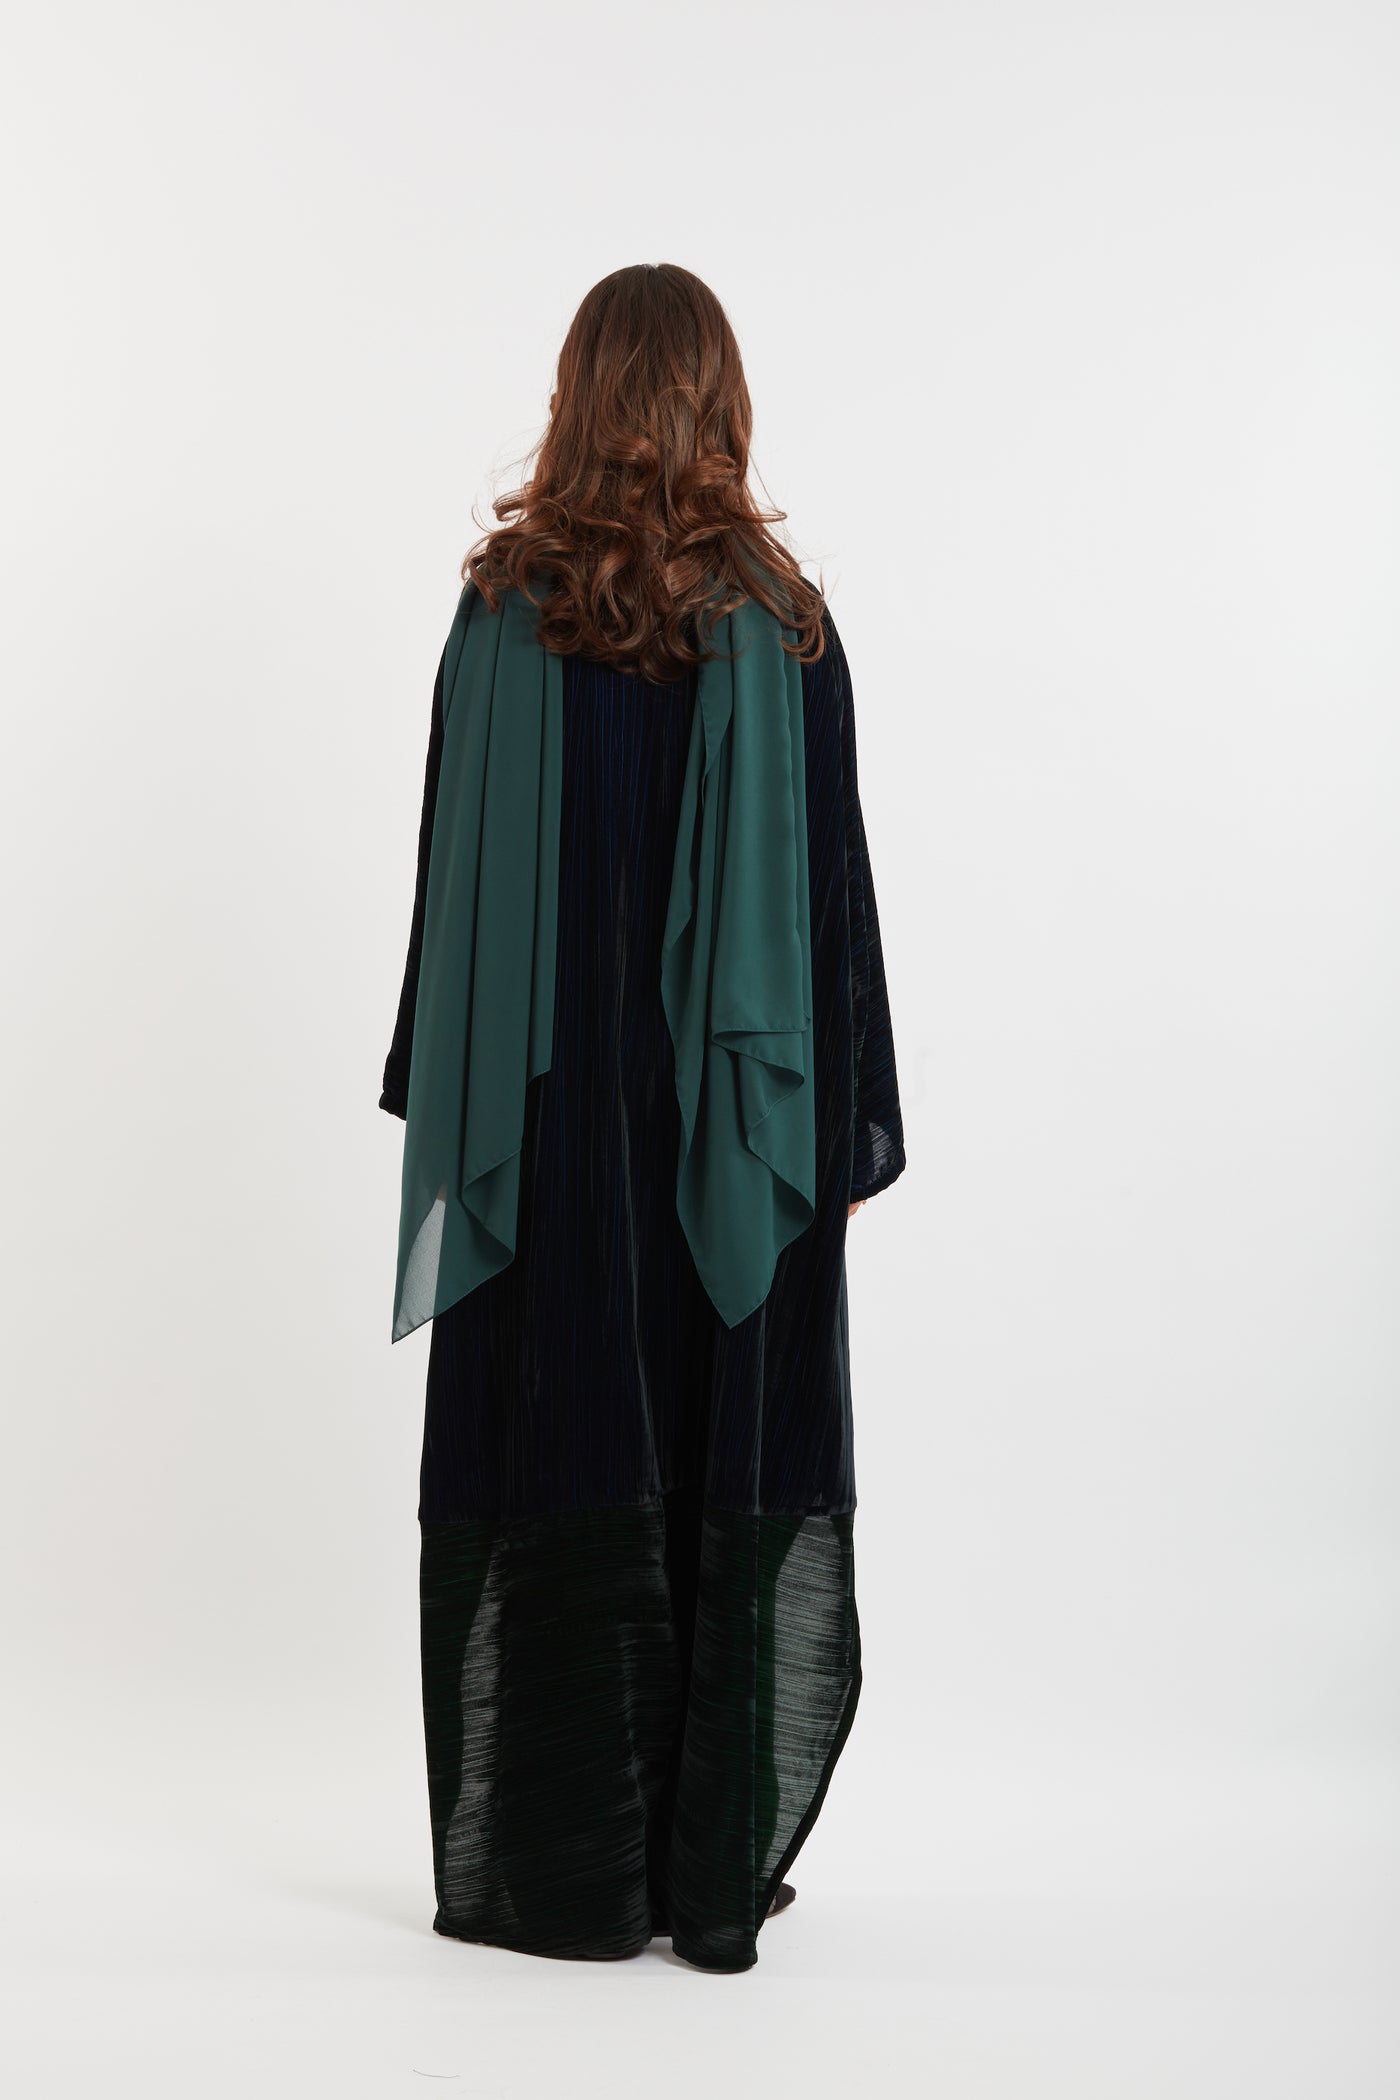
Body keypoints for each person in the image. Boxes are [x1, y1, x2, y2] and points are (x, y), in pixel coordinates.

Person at [379, 262, 905, 1974]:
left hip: (551, 1139)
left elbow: (451, 891)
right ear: (720, 403)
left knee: (565, 1437)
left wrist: (440, 1093)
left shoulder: (502, 613)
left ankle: (563, 1870)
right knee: (713, 1434)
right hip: (732, 1140)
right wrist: (837, 1134)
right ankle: (702, 1870)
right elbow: (833, 916)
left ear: (576, 396)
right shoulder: (789, 630)